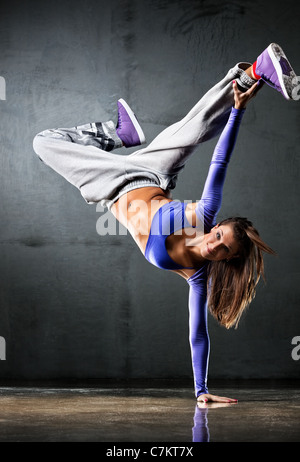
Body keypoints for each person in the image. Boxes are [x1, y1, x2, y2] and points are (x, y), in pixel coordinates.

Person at [33, 43, 298, 403]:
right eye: (219, 235)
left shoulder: (197, 277)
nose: (214, 243)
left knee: (44, 142)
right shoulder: (202, 218)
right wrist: (237, 112)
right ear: (216, 226)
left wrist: (201, 391)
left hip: (113, 186)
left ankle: (118, 133)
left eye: (223, 249)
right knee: (196, 126)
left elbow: (198, 335)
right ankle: (257, 70)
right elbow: (219, 163)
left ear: (226, 260)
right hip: (153, 174)